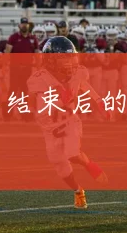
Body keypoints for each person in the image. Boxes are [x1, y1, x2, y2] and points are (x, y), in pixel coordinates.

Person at [28, 36, 110, 209]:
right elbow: (32, 99)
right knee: (59, 163)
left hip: (70, 120)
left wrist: (99, 102)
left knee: (72, 153)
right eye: (63, 58)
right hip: (49, 127)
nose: (68, 62)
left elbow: (85, 86)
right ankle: (78, 191)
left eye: (69, 57)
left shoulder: (77, 72)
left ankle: (90, 165)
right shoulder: (38, 78)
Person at [4, 17, 41, 122]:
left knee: (25, 92)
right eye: (22, 24)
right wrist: (6, 66)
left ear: (28, 25)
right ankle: (8, 114)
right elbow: (7, 52)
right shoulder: (13, 37)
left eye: (26, 24)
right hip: (15, 68)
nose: (24, 25)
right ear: (19, 25)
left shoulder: (33, 38)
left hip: (27, 69)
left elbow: (37, 54)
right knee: (13, 91)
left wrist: (38, 67)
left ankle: (24, 114)